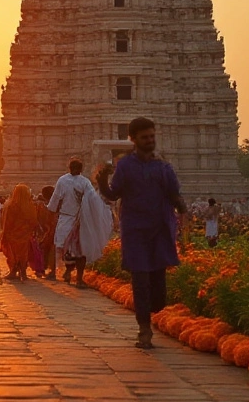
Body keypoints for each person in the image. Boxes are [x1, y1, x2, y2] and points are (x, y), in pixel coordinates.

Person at [97, 117, 188, 350]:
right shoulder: (125, 166)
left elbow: (174, 193)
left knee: (158, 286)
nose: (150, 141)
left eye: (152, 137)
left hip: (159, 229)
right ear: (133, 139)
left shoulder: (163, 167)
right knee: (140, 280)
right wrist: (102, 180)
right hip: (135, 230)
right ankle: (144, 330)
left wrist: (182, 209)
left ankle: (152, 313)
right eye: (145, 137)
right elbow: (113, 194)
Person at [47, 159, 113, 286]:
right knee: (69, 248)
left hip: (75, 220)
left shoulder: (70, 180)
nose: (75, 169)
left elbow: (55, 200)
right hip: (72, 219)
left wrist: (51, 212)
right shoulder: (83, 182)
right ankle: (69, 274)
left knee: (73, 249)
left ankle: (74, 277)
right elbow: (93, 199)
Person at [0, 184, 39, 281]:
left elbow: (8, 221)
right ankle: (23, 273)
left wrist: (5, 233)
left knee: (13, 253)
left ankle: (13, 271)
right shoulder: (30, 206)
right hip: (25, 234)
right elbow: (34, 221)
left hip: (13, 234)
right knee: (24, 253)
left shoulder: (12, 206)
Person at [37, 186, 58, 279]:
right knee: (53, 251)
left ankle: (45, 269)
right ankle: (52, 270)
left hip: (48, 231)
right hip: (57, 230)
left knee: (46, 250)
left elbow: (41, 220)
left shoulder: (43, 206)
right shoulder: (59, 205)